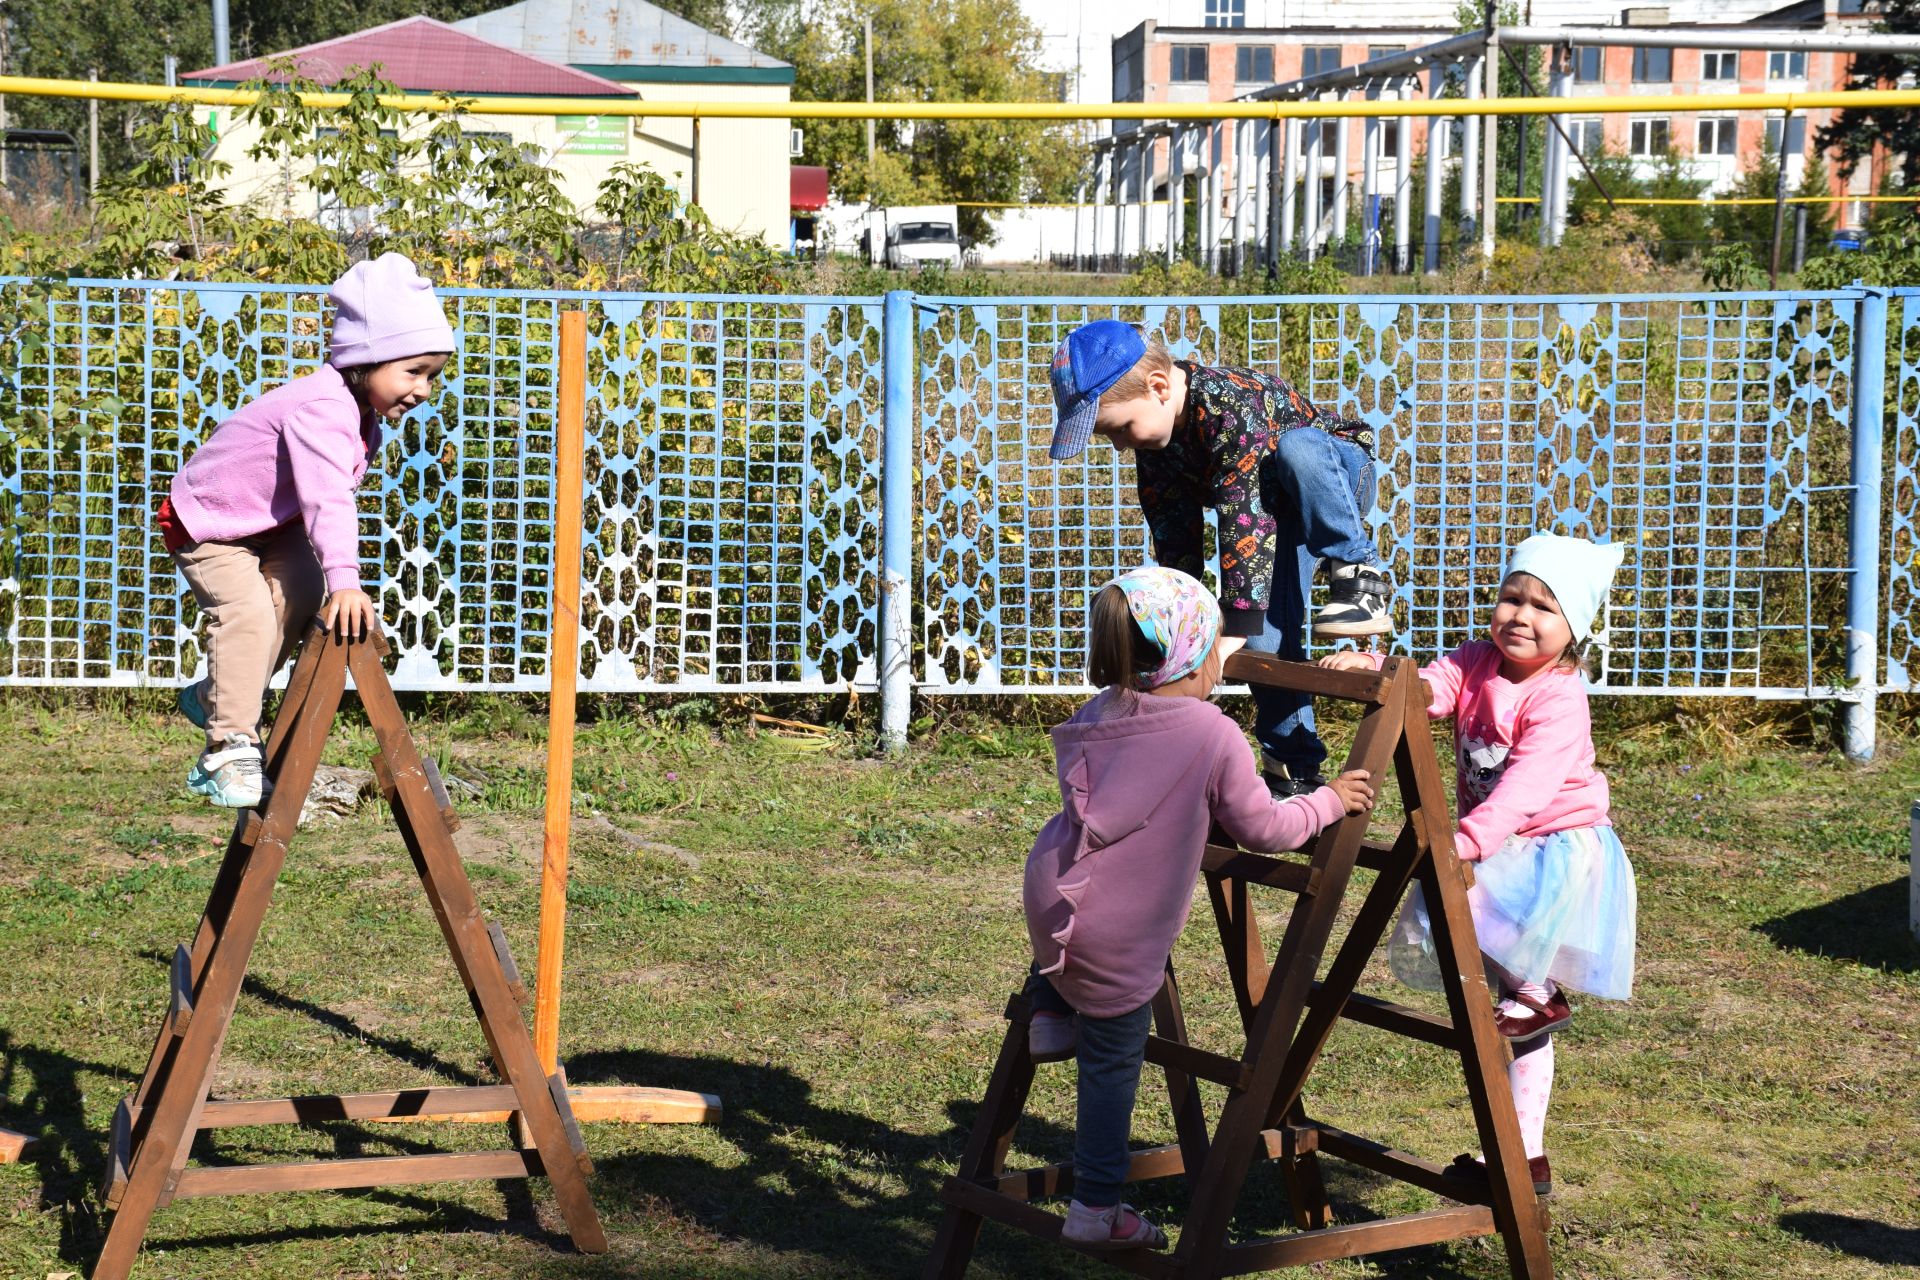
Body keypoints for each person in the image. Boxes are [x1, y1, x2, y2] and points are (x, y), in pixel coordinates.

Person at [1023, 566, 1375, 1250]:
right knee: (1110, 1067)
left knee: (1072, 949)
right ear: (1190, 654)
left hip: (1052, 891)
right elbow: (1264, 830)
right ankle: (1095, 1207)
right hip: (1118, 933)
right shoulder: (1210, 734)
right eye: (1216, 643)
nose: (1223, 657)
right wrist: (1329, 799)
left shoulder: (1101, 708)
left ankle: (1050, 1007)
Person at [1320, 533, 1637, 1195]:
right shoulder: (1477, 661)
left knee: (1485, 938)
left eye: (1542, 608)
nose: (1519, 616)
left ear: (1573, 628)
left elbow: (1525, 790)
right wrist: (1378, 673)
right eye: (1510, 598)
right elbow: (1430, 689)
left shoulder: (1558, 698)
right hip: (1501, 845)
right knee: (1507, 1013)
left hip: (1551, 849)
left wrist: (1463, 843)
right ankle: (1521, 1157)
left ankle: (1541, 997)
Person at [1048, 318, 1393, 800]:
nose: (1121, 444)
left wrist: (1229, 630)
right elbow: (1174, 535)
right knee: (1265, 637)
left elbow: (1241, 520)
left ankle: (1359, 575)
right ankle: (1292, 767)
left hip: (1334, 478)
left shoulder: (1229, 405)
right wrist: (1183, 627)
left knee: (1299, 449)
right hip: (1273, 514)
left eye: (1120, 428)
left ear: (1159, 387)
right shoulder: (1158, 441)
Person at [158, 253, 455, 808]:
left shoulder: (359, 413)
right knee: (245, 611)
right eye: (413, 371)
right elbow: (327, 499)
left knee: (298, 591)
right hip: (211, 522)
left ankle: (213, 695)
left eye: (432, 375)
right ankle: (227, 747)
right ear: (368, 359)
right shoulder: (322, 408)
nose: (424, 389)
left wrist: (328, 580)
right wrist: (347, 578)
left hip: (270, 525)